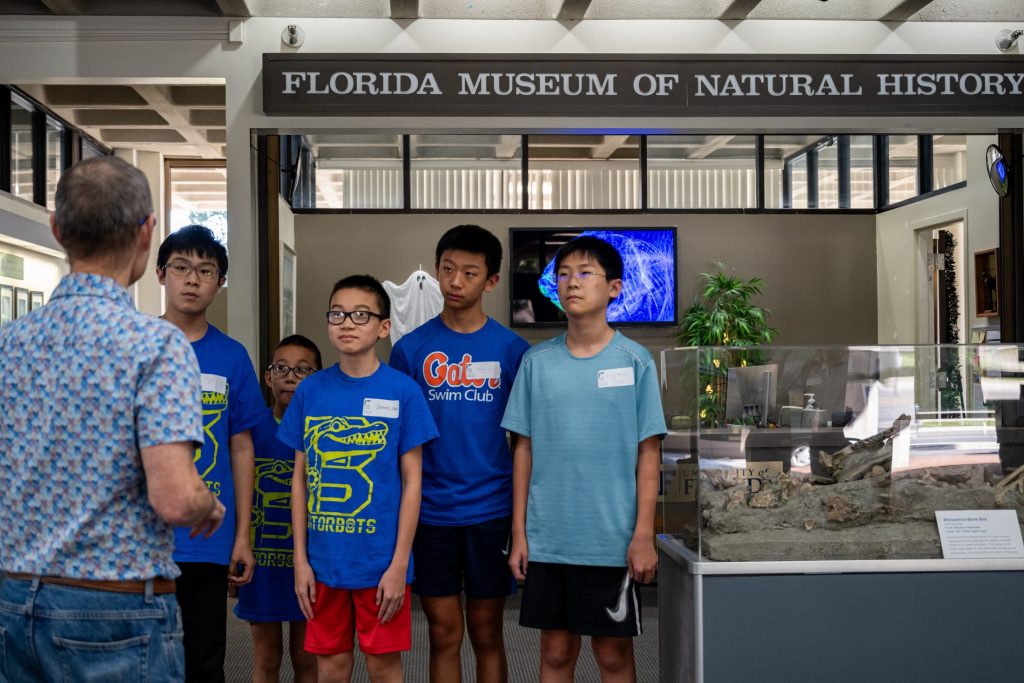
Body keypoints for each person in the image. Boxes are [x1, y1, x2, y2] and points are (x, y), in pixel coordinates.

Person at [0, 156, 224, 682]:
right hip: (112, 609)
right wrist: (206, 504)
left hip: (12, 599)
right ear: (146, 232)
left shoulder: (9, 342)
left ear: (57, 230)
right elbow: (173, 497)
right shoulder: (155, 345)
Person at [501, 235, 666, 683]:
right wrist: (519, 534)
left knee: (612, 656)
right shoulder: (537, 363)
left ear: (614, 287)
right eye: (564, 275)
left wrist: (643, 536)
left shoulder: (635, 361)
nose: (572, 283)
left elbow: (648, 453)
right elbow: (524, 450)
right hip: (549, 539)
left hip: (611, 541)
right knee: (554, 653)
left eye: (585, 273)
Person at [280, 275, 438, 683]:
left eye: (360, 314)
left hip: (380, 562)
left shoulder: (403, 392)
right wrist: (301, 560)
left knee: (383, 665)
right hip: (323, 561)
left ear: (384, 327)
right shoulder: (310, 390)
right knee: (330, 664)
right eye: (337, 313)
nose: (346, 322)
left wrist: (399, 564)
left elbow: (413, 483)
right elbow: (299, 480)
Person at [390, 224, 530, 682]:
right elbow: (400, 444)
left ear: (490, 281)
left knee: (488, 632)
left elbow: (524, 442)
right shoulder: (409, 351)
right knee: (443, 633)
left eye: (469, 273)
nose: (455, 282)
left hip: (491, 511)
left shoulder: (513, 351)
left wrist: (519, 523)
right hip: (430, 513)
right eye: (447, 269)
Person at [157, 225, 265, 682]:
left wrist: (244, 535)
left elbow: (243, 447)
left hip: (209, 535)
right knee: (144, 656)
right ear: (161, 274)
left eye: (206, 271)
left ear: (220, 283)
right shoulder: (135, 344)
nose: (192, 279)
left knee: (204, 658)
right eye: (181, 268)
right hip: (142, 536)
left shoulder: (232, 356)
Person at [235, 334, 323, 683]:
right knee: (266, 657)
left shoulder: (324, 429)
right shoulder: (251, 428)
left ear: (317, 377)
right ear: (268, 377)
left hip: (308, 565)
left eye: (303, 369)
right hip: (264, 561)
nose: (290, 376)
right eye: (282, 368)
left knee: (305, 657)